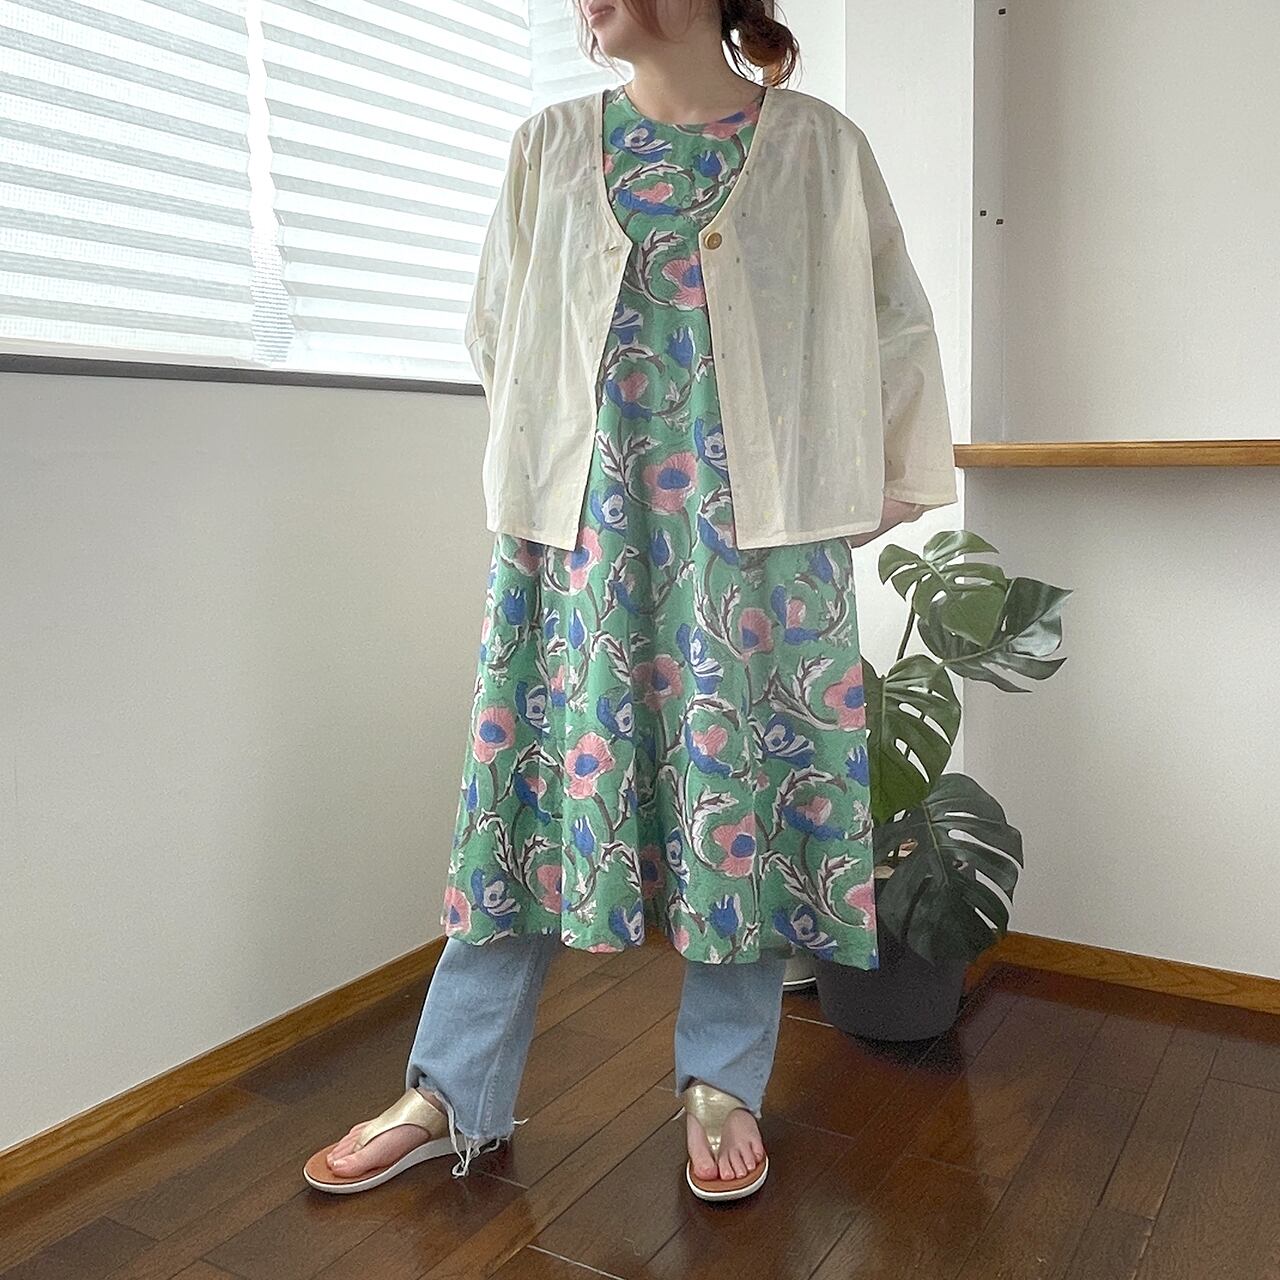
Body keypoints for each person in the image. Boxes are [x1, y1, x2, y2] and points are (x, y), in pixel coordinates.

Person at [303, 0, 957, 1204]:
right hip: (579, 539)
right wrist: (560, 473)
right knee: (522, 793)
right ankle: (451, 1087)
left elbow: (891, 319)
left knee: (738, 797)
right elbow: (498, 330)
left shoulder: (817, 147)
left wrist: (875, 484)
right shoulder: (548, 146)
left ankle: (721, 1079)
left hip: (756, 546)